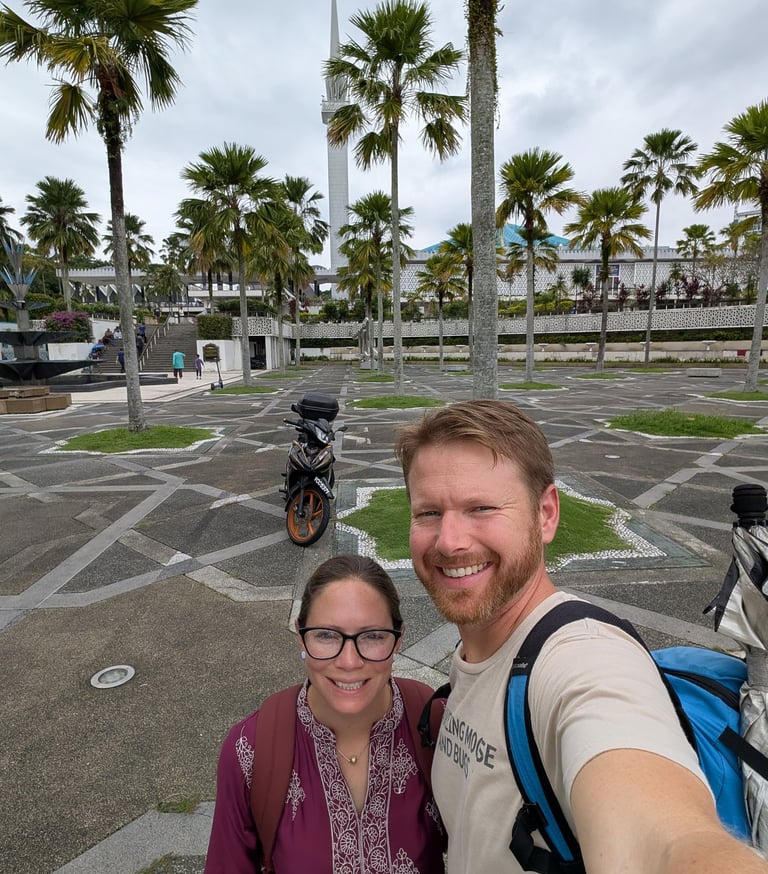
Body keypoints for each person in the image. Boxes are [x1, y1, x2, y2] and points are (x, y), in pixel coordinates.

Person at [395, 400, 768, 874]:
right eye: (428, 512)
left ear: (546, 513)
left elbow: (665, 836)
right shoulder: (479, 648)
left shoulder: (584, 661)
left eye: (481, 508)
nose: (449, 540)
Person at [205, 554, 446, 874]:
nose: (348, 662)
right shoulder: (249, 750)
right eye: (326, 635)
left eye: (373, 636)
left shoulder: (437, 726)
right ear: (300, 636)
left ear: (397, 641)